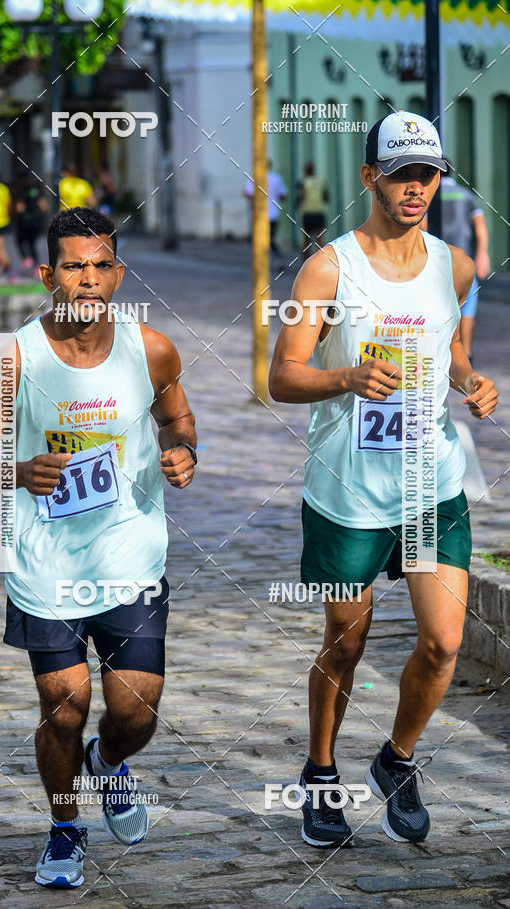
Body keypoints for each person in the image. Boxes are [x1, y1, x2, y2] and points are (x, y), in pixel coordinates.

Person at [269, 111, 498, 849]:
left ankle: (397, 758)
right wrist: (345, 375)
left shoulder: (453, 265)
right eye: (400, 172)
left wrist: (470, 380)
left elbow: (455, 349)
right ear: (369, 176)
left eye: (427, 173)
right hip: (348, 492)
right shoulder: (327, 267)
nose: (415, 187)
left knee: (444, 640)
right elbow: (282, 374)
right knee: (345, 639)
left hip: (429, 484)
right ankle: (319, 770)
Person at [0, 207, 197, 888]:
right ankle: (64, 827)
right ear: (46, 274)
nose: (88, 279)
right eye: (72, 266)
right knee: (63, 707)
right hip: (46, 565)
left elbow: (177, 417)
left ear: (117, 272)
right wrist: (20, 470)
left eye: (100, 265)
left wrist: (183, 451)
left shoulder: (150, 348)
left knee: (134, 714)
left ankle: (111, 762)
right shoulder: (15, 357)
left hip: (130, 558)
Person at [440, 162, 490, 362]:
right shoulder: (466, 195)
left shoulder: (428, 198)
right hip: (465, 262)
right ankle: (466, 354)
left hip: (438, 263)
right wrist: (482, 254)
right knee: (468, 308)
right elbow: (480, 228)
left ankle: (445, 355)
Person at [245, 160, 288, 257]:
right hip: (273, 214)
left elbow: (250, 194)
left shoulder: (255, 178)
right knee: (270, 239)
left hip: (258, 215)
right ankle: (276, 257)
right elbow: (283, 195)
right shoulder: (277, 178)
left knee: (260, 241)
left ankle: (269, 259)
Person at [15, 176, 48, 275]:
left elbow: (19, 208)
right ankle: (35, 267)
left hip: (25, 221)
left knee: (20, 241)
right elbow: (43, 207)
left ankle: (26, 258)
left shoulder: (21, 193)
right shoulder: (38, 192)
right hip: (36, 220)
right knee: (32, 244)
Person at [296, 161, 329, 259]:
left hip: (307, 214)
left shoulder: (302, 182)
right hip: (319, 213)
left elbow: (300, 196)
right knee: (320, 240)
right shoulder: (321, 181)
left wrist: (297, 206)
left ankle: (305, 264)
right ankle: (322, 261)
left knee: (306, 240)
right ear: (314, 170)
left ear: (305, 170)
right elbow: (326, 198)